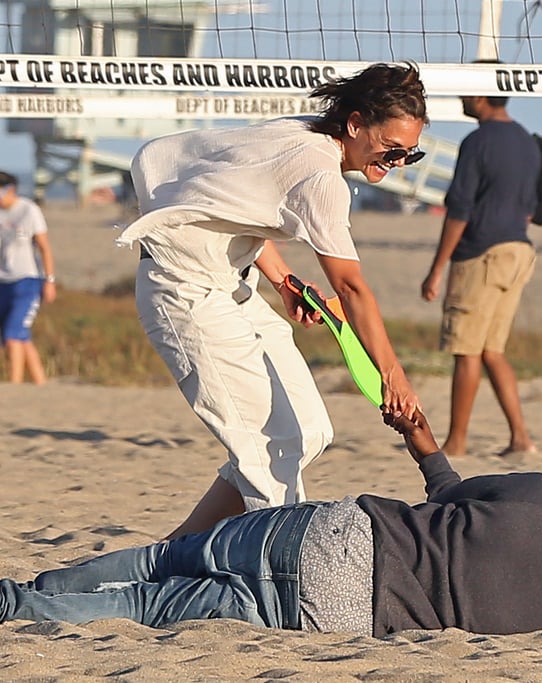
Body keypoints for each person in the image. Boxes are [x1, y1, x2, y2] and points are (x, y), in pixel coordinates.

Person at [0, 409, 542, 638]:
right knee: (148, 610)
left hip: (347, 536)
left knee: (161, 560)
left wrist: (422, 439)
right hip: (345, 613)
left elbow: (449, 496)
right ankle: (0, 611)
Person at [114, 63, 427, 540]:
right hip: (184, 292)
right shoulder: (321, 176)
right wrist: (393, 375)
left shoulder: (301, 133)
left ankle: (175, 550)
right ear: (356, 124)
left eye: (412, 154)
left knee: (309, 434)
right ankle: (267, 570)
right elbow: (351, 288)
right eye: (392, 149)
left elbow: (239, 206)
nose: (398, 162)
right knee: (270, 448)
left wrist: (282, 282)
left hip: (234, 285)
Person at [419, 85, 541, 457]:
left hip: (482, 252)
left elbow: (460, 210)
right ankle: (520, 437)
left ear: (483, 96)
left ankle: (456, 441)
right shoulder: (527, 141)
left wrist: (436, 269)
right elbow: (531, 207)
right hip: (519, 248)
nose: (460, 97)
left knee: (466, 350)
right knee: (492, 350)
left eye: (467, 91)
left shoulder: (478, 142)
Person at [0, 171, 57, 384]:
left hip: (27, 280)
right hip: (3, 281)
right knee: (21, 337)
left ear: (10, 190)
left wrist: (50, 280)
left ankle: (14, 385)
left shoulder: (29, 210)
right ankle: (40, 383)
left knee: (12, 335)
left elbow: (44, 247)